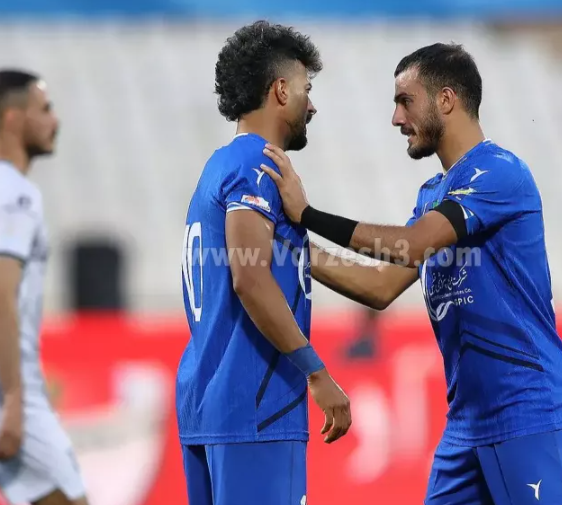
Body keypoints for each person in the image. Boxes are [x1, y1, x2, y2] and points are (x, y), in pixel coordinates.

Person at [260, 42, 562, 505]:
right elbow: (380, 287)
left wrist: (308, 215)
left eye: (405, 101)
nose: (396, 118)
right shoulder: (432, 194)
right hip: (467, 424)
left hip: (534, 412)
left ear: (446, 99)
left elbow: (414, 243)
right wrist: (291, 246)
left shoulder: (499, 172)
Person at [176, 21, 351, 505]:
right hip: (257, 407)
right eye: (306, 89)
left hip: (208, 403)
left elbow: (348, 277)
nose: (311, 105)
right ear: (281, 90)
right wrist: (316, 372)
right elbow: (250, 279)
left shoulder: (219, 166)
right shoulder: (257, 166)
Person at [0, 70, 88, 505]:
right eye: (44, 109)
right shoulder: (17, 196)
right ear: (12, 118)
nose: (54, 120)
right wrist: (13, 398)